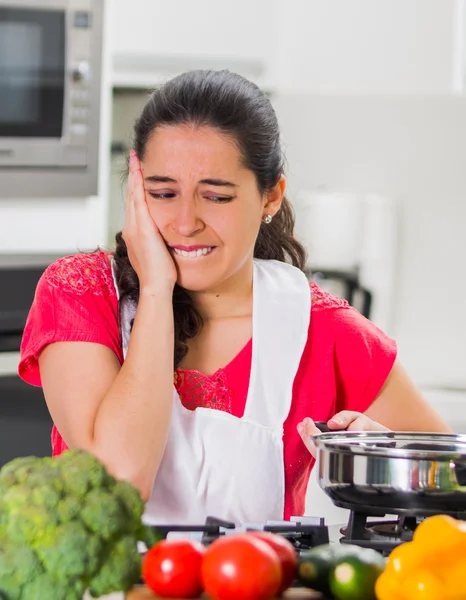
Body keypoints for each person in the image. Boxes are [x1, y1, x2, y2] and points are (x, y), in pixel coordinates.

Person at [19, 70, 450, 525]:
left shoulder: (322, 330)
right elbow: (120, 478)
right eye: (163, 193)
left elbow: (452, 496)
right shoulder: (79, 293)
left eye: (217, 197)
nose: (185, 222)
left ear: (271, 197)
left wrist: (391, 471)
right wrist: (156, 289)